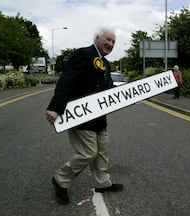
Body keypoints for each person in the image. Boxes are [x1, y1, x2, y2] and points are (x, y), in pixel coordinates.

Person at [46, 27, 123, 205]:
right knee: (88, 153)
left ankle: (103, 183)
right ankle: (60, 179)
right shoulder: (84, 54)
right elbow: (67, 79)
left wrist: (131, 96)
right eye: (108, 39)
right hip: (80, 116)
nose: (110, 44)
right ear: (97, 38)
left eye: (113, 42)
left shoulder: (106, 63)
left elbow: (108, 89)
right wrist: (56, 107)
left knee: (102, 151)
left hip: (99, 118)